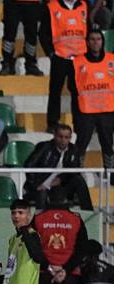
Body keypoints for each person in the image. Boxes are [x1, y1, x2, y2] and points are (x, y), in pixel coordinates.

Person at [33, 187, 89, 284]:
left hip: (45, 274)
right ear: (65, 200)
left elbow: (34, 249)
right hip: (70, 274)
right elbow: (82, 249)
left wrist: (49, 267)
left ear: (47, 199)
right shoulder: (76, 219)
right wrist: (65, 270)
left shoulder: (38, 219)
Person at [40, 0, 87, 131]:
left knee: (78, 92)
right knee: (55, 90)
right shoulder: (52, 6)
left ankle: (79, 123)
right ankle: (52, 123)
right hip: (60, 56)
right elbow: (43, 33)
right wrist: (50, 53)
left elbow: (86, 30)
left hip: (79, 58)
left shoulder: (83, 5)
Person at [23, 124, 93, 210]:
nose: (63, 140)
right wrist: (36, 185)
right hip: (41, 185)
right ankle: (40, 220)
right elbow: (29, 165)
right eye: (60, 136)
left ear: (70, 138)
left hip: (60, 187)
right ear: (54, 135)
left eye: (66, 137)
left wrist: (60, 179)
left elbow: (75, 171)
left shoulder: (73, 149)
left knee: (78, 180)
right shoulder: (44, 147)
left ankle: (89, 214)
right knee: (42, 192)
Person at [73, 29, 114, 172]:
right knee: (82, 143)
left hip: (106, 110)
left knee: (108, 143)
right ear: (87, 42)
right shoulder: (78, 61)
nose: (95, 42)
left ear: (103, 42)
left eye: (98, 39)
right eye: (92, 39)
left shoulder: (111, 60)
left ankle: (110, 173)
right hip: (86, 110)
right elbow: (73, 86)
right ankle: (77, 172)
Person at [0, 0, 43, 76]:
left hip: (32, 2)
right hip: (12, 3)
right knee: (9, 33)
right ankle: (7, 63)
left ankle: (31, 64)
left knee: (32, 35)